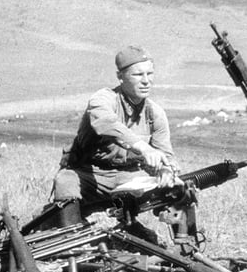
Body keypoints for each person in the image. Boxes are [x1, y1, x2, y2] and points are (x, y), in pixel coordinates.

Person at [52, 45, 178, 226]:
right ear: (120, 77)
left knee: (180, 188)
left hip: (128, 179)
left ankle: (183, 248)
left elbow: (167, 155)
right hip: (89, 174)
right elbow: (105, 123)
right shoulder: (103, 99)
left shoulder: (155, 113)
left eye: (150, 74)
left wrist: (167, 171)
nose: (146, 81)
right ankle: (69, 241)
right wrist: (142, 147)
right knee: (65, 181)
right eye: (138, 75)